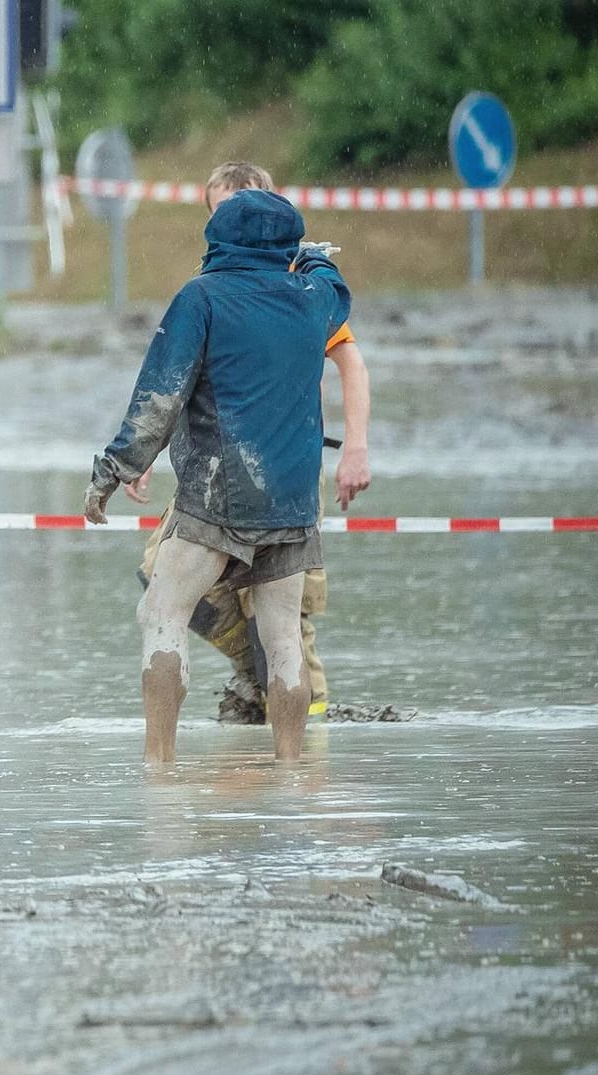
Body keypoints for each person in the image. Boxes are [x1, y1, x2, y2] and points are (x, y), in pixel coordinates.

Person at [84, 188, 351, 762]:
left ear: (218, 241)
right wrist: (311, 255)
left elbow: (160, 395)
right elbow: (338, 287)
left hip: (216, 493)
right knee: (282, 638)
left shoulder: (201, 297)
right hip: (294, 497)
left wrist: (114, 469)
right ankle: (290, 772)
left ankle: (159, 767)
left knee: (161, 613)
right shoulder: (313, 299)